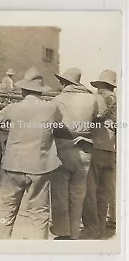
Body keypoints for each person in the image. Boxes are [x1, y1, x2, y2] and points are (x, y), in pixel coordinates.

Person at [0, 80, 63, 239]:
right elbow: (58, 121)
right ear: (40, 91)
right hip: (40, 166)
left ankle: (0, 249)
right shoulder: (51, 107)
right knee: (39, 213)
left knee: (6, 210)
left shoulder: (14, 108)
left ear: (23, 91)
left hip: (14, 165)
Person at [50, 68, 97, 240]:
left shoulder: (58, 99)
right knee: (78, 195)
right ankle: (75, 233)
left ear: (64, 82)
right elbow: (96, 117)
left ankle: (63, 231)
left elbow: (52, 122)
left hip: (63, 148)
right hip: (85, 149)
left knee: (60, 194)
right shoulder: (92, 99)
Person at [82, 70, 117, 239]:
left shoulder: (98, 99)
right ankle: (102, 229)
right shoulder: (118, 101)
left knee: (90, 192)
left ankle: (92, 230)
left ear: (101, 85)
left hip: (96, 149)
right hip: (111, 151)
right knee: (104, 193)